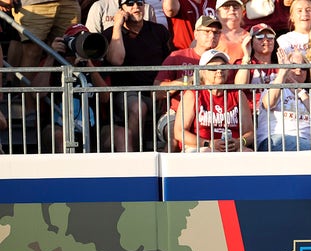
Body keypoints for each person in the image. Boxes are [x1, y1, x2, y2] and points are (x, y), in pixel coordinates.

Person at [103, 0, 171, 151]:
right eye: (130, 3)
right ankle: (136, 155)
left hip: (155, 89)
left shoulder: (159, 31)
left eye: (139, 3)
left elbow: (169, 63)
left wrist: (162, 88)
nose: (136, 7)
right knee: (138, 106)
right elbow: (116, 60)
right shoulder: (111, 32)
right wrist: (117, 26)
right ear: (121, 9)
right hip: (125, 92)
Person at [31, 24, 109, 153]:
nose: (81, 44)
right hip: (56, 125)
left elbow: (105, 98)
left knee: (121, 134)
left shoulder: (96, 64)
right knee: (61, 138)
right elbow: (37, 94)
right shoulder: (52, 63)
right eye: (77, 39)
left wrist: (89, 66)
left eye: (85, 39)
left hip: (93, 127)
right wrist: (51, 55)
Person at [154, 15, 222, 151]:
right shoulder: (178, 57)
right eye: (207, 31)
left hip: (210, 115)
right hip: (175, 112)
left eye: (216, 32)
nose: (212, 35)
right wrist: (188, 81)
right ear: (196, 34)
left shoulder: (222, 61)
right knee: (174, 136)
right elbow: (156, 92)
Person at [174, 49, 254, 152]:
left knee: (247, 153)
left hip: (232, 147)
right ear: (202, 71)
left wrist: (239, 142)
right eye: (213, 68)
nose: (219, 71)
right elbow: (179, 132)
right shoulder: (193, 94)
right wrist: (208, 143)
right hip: (200, 146)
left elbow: (250, 132)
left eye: (223, 67)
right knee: (207, 152)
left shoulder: (238, 94)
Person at [11, 0, 80, 114]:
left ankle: (71, 109)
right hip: (33, 3)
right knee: (32, 53)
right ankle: (30, 109)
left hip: (69, 3)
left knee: (69, 50)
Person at [256, 48, 311, 151]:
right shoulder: (275, 86)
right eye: (293, 66)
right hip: (275, 139)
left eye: (303, 67)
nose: (298, 70)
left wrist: (300, 91)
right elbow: (269, 103)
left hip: (305, 144)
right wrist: (283, 72)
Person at [235, 23, 279, 112]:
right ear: (251, 41)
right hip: (251, 113)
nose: (266, 40)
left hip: (276, 115)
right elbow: (240, 86)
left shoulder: (280, 66)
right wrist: (246, 56)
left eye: (270, 36)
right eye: (260, 37)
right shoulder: (242, 63)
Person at [85, 0, 157, 33]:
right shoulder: (100, 6)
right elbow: (92, 35)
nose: (136, 6)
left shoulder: (146, 8)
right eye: (130, 4)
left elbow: (155, 35)